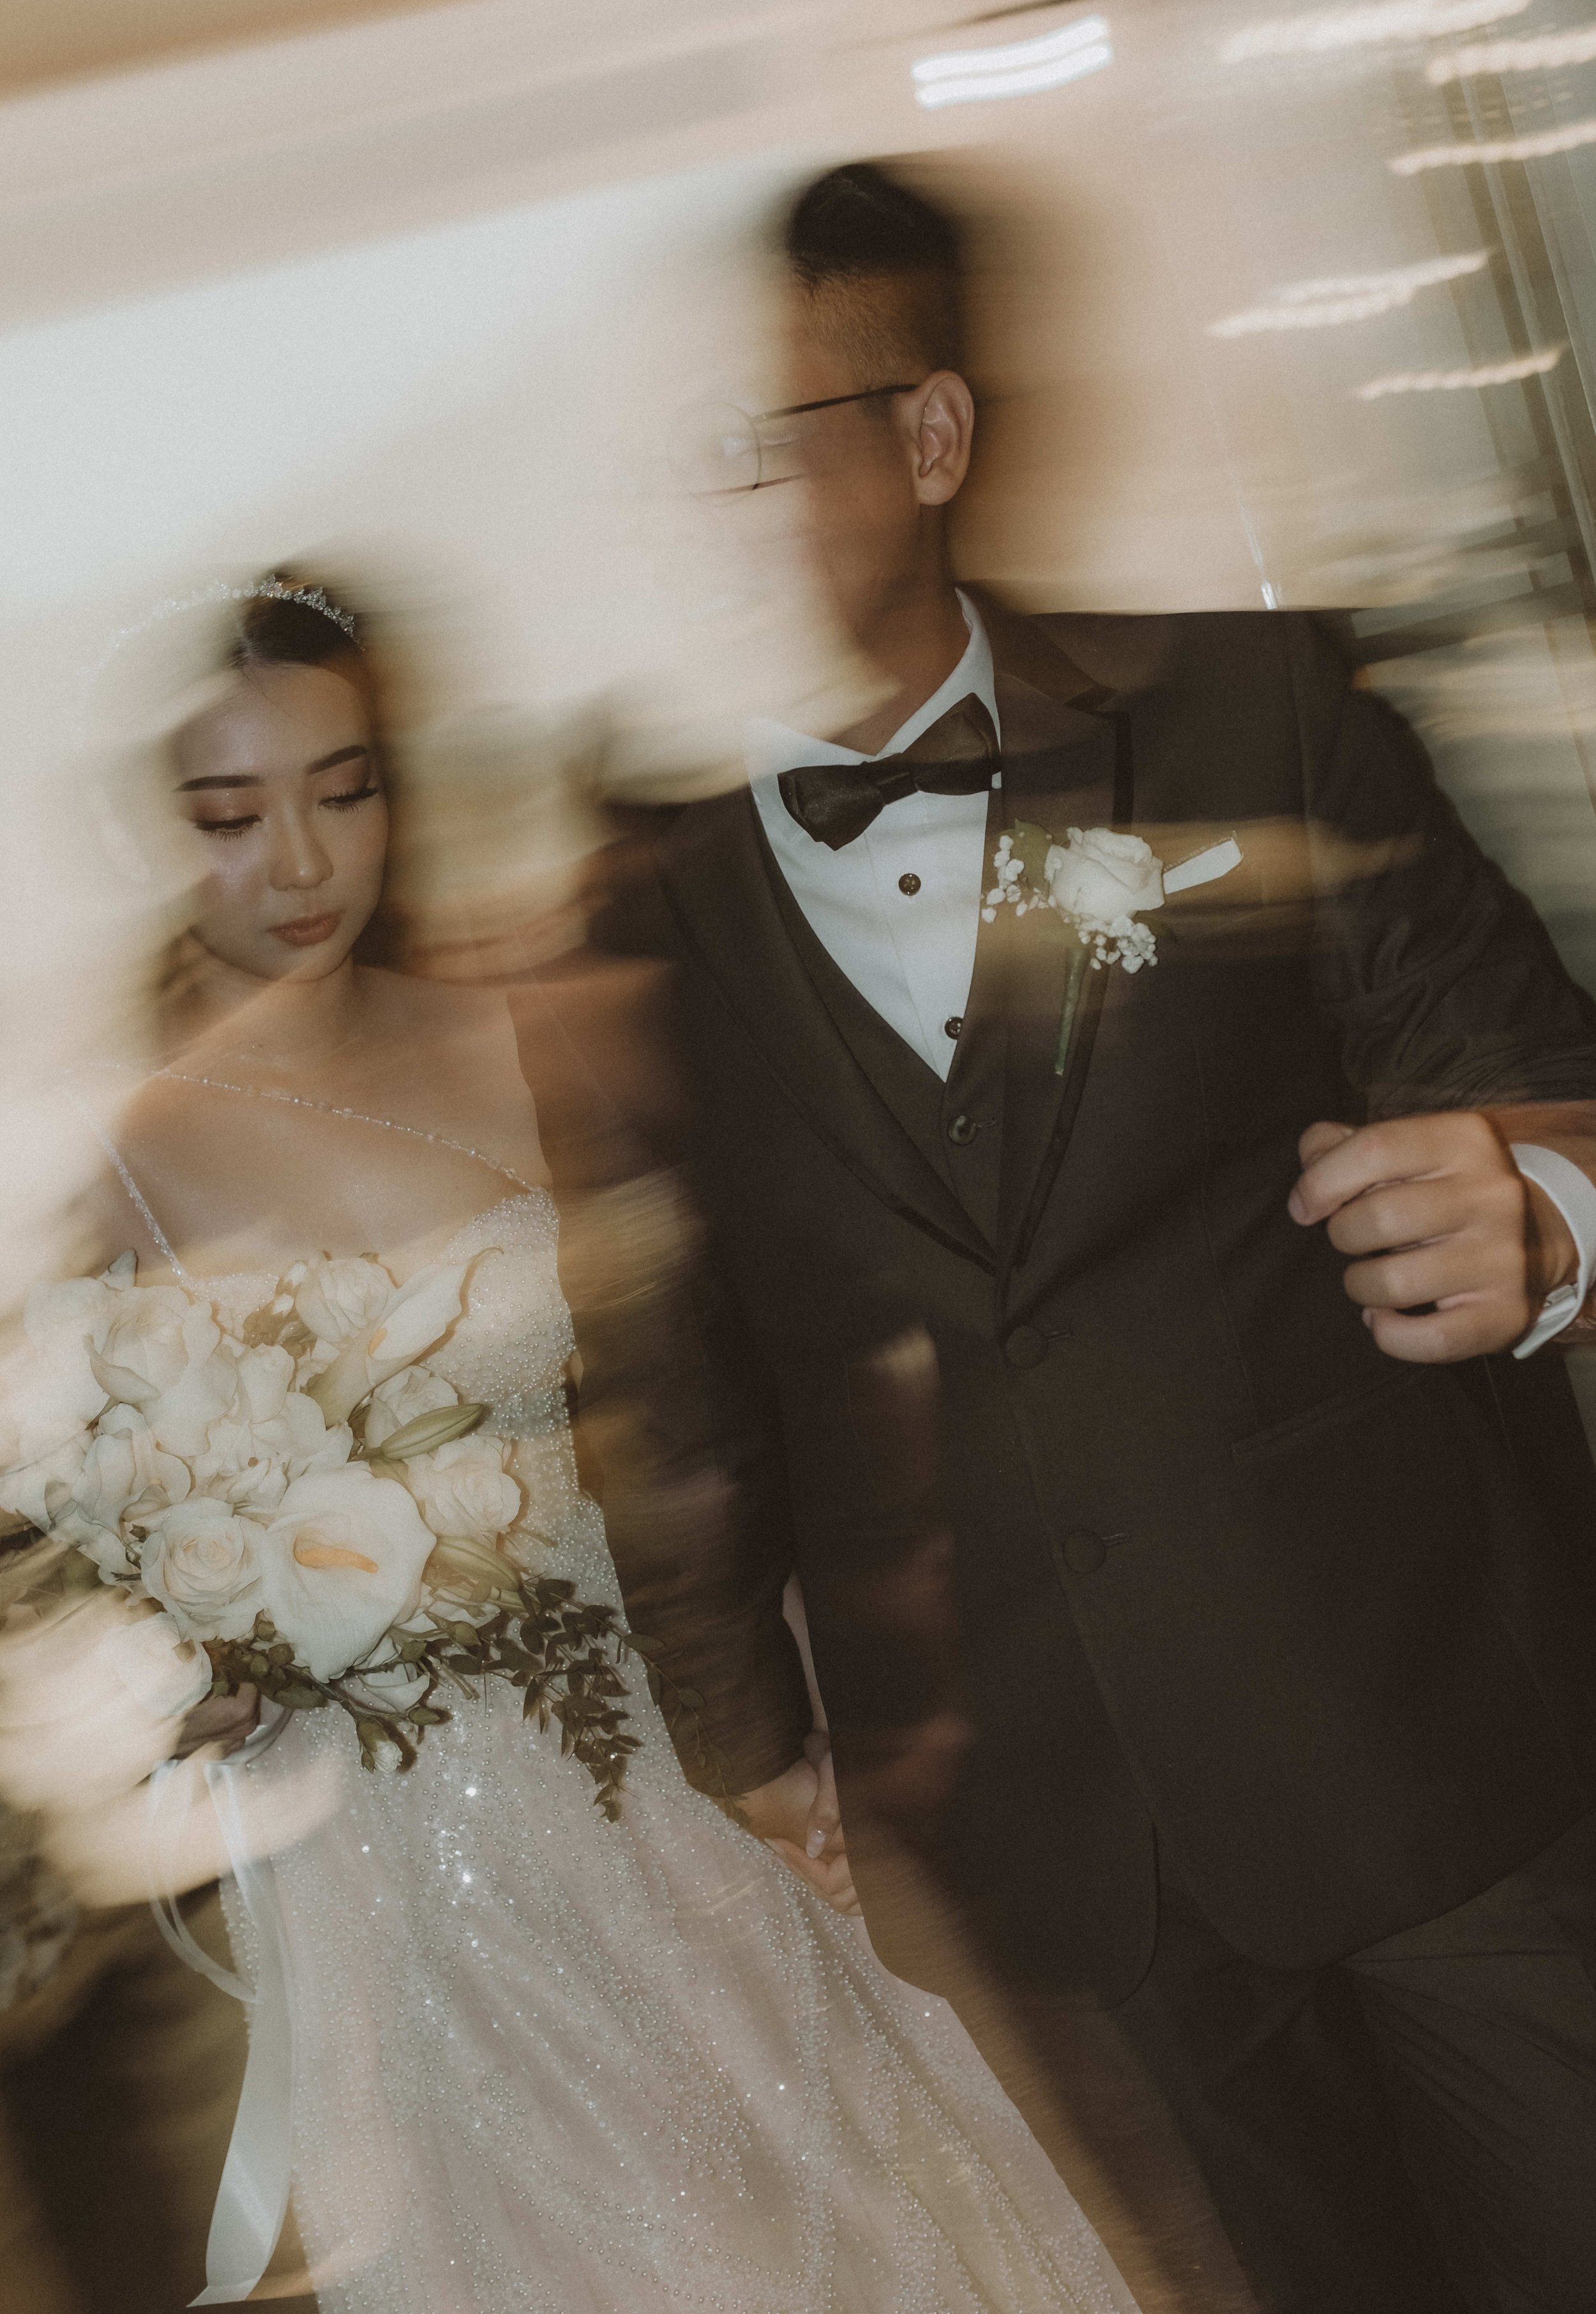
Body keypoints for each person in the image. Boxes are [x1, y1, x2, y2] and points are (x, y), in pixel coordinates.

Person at [513, 165, 1596, 2314]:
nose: (695, 516)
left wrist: (1543, 1216)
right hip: (1038, 1822)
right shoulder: (631, 914)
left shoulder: (1253, 716)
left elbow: (1524, 1068)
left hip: (1422, 1724)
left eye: (749, 447)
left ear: (928, 435)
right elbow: (662, 1365)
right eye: (663, 468)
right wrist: (747, 1735)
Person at [52, 575, 1141, 2314]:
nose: (304, 862)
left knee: (833, 2223)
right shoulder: (136, 1166)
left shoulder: (557, 1040)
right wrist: (201, 1655)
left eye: (343, 790)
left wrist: (803, 1715)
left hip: (667, 1773)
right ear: (168, 837)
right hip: (397, 1869)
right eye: (233, 816)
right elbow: (106, 1552)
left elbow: (729, 1417)